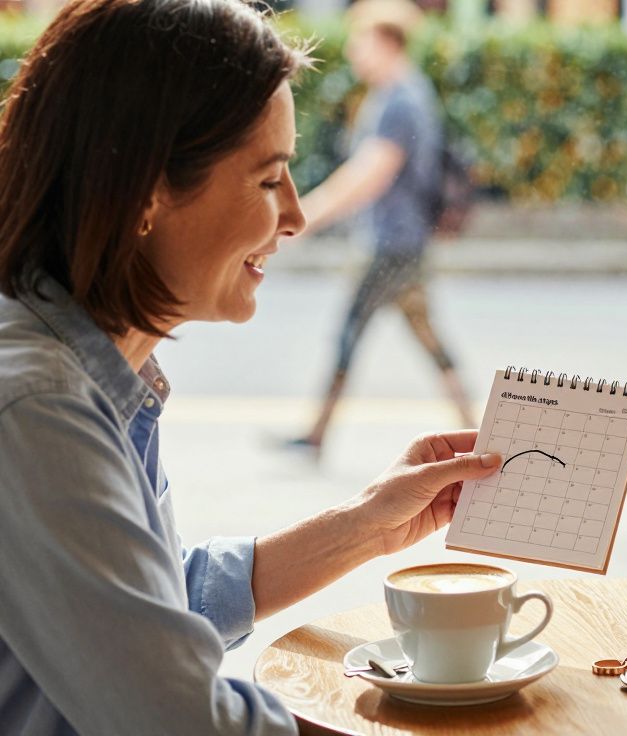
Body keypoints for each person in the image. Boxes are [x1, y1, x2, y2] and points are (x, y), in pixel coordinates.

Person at [0, 1, 500, 732]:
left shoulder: (93, 369)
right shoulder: (41, 405)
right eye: (269, 182)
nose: (293, 216)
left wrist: (366, 525)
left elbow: (152, 608)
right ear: (146, 194)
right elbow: (175, 715)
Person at [288, 0, 475, 455]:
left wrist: (304, 215)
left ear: (387, 42)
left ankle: (317, 433)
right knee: (428, 340)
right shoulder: (403, 94)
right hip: (401, 241)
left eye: (361, 42)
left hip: (392, 242)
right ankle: (478, 430)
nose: (354, 53)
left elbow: (370, 174)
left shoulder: (401, 101)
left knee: (351, 332)